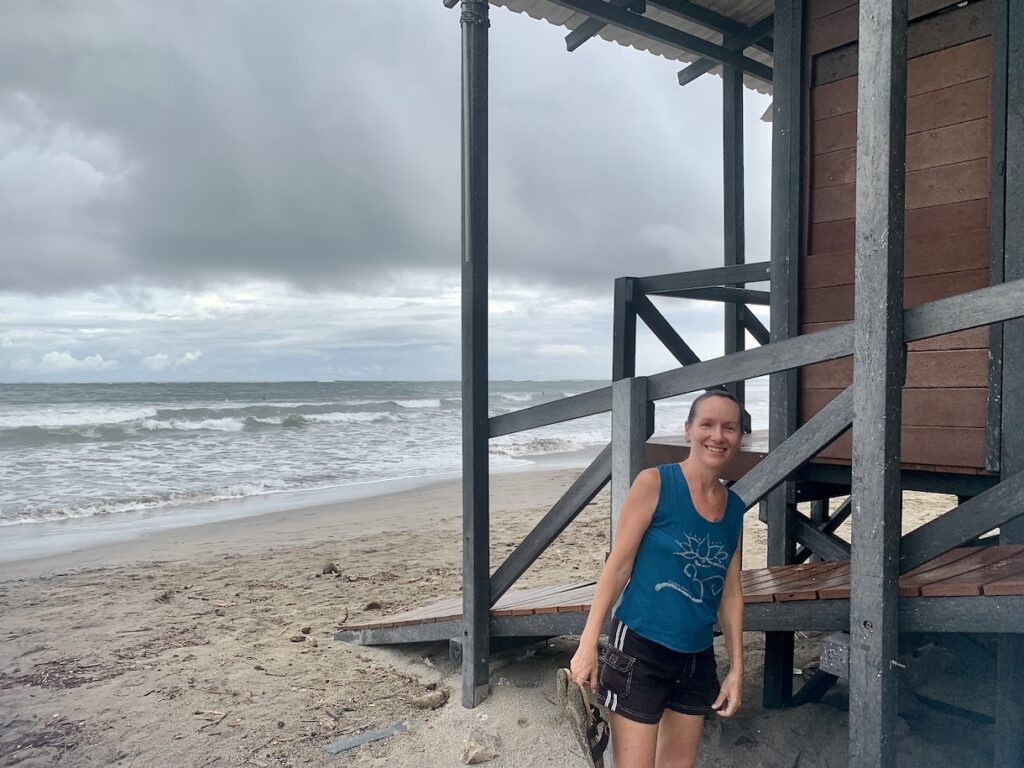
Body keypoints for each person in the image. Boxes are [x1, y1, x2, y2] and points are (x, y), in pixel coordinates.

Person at [569, 389, 746, 768]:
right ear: (687, 430)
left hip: (697, 656)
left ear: (739, 438)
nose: (718, 436)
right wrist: (587, 645)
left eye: (729, 428)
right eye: (707, 425)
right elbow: (617, 567)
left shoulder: (735, 509)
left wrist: (737, 668)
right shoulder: (655, 484)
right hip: (639, 650)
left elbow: (730, 593)